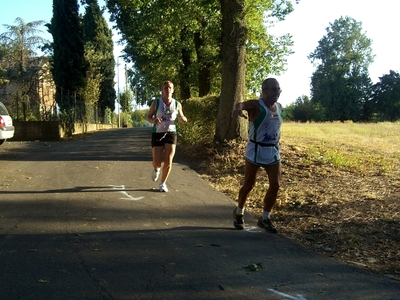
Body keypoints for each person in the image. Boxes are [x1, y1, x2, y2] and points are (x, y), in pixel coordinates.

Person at [231, 78, 283, 233]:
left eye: (278, 89)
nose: (277, 93)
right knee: (249, 184)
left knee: (275, 184)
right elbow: (241, 104)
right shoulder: (256, 105)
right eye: (273, 89)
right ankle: (239, 212)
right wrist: (237, 109)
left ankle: (265, 217)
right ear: (264, 90)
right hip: (256, 149)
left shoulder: (279, 107)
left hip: (273, 150)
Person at [146, 81, 187, 192]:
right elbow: (148, 116)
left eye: (170, 87)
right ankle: (156, 169)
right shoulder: (156, 103)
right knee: (157, 162)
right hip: (158, 133)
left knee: (168, 160)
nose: (167, 89)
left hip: (171, 133)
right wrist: (153, 120)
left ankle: (163, 183)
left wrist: (183, 118)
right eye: (165, 87)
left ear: (173, 90)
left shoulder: (177, 104)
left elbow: (181, 115)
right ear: (162, 90)